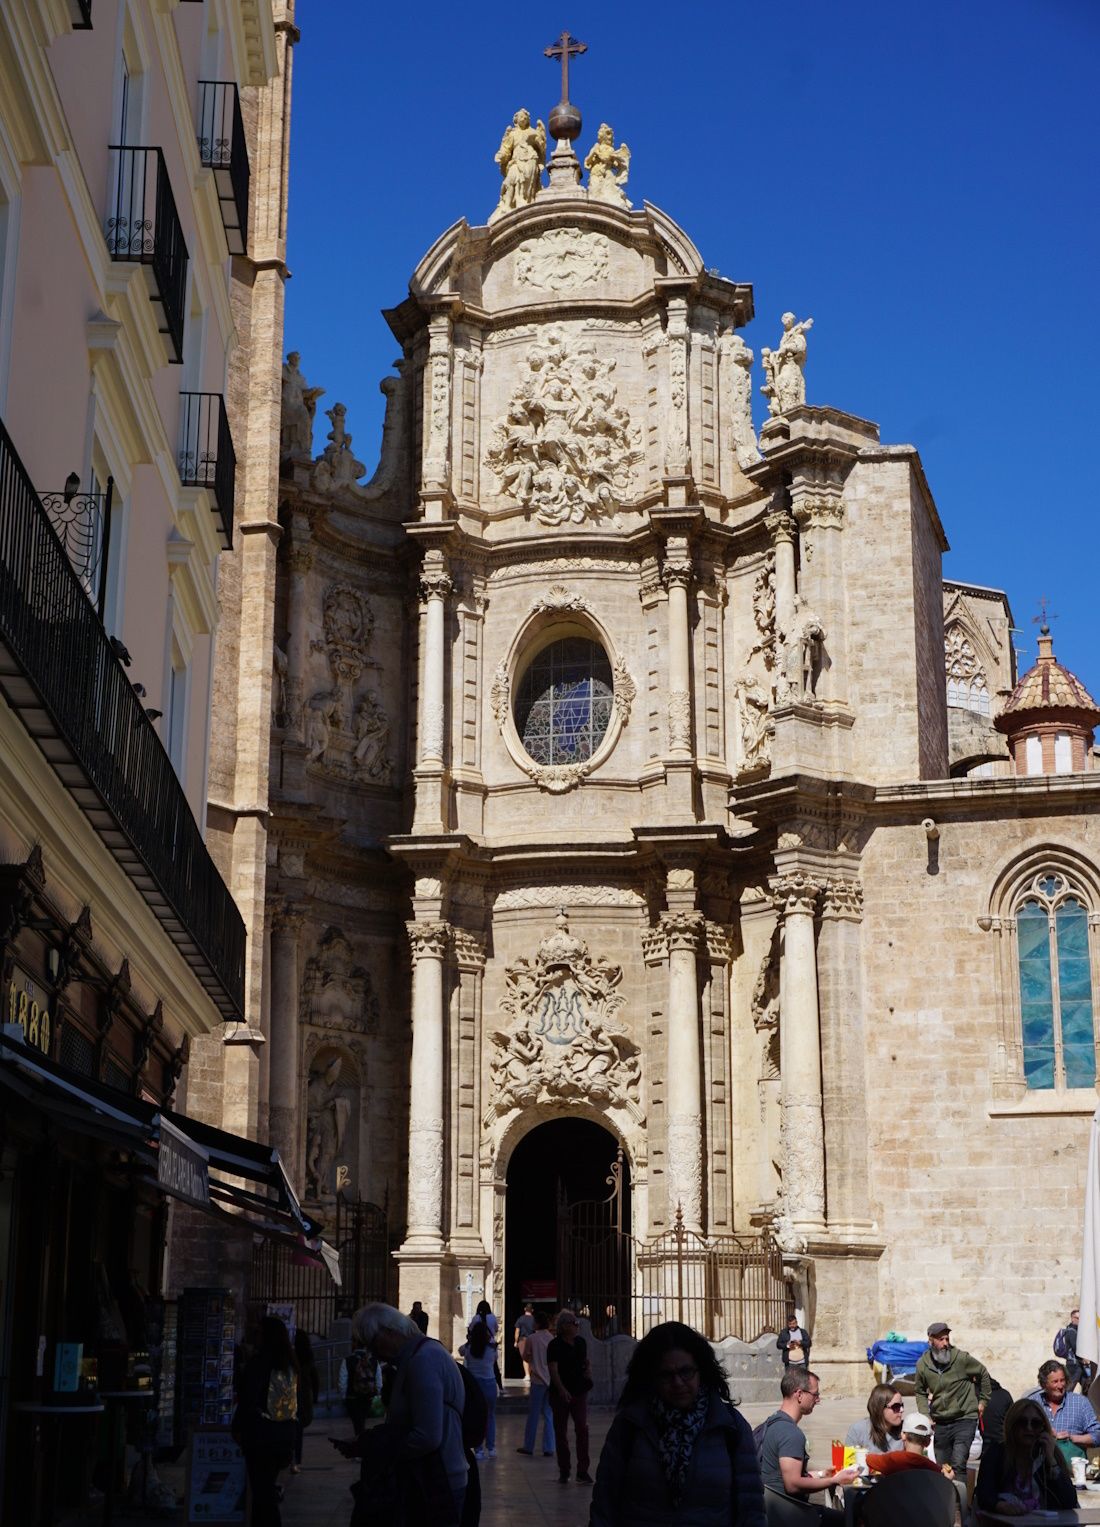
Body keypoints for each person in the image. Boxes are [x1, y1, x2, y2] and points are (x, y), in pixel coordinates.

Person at [589, 1320, 765, 1526]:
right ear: (651, 1377)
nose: (678, 1383)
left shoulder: (729, 1427)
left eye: (686, 1372)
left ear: (701, 1370)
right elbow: (605, 1502)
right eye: (666, 1375)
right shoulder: (630, 1425)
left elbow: (751, 1506)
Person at [350, 1302, 468, 1527]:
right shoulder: (418, 1356)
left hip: (437, 1482)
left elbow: (427, 1437)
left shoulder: (423, 1360)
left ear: (389, 1332)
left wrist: (380, 1451)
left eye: (372, 1343)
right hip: (431, 1478)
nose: (372, 1352)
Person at [757, 1367, 857, 1523]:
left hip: (772, 1511)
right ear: (799, 1394)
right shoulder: (791, 1434)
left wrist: (822, 1474)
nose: (818, 1400)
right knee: (849, 1520)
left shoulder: (772, 1422)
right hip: (790, 1514)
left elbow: (780, 1474)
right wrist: (835, 1481)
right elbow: (793, 1484)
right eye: (815, 1394)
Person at [232, 1315, 298, 1527]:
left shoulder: (259, 1363)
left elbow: (248, 1398)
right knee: (266, 1488)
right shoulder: (289, 1363)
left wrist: (238, 1427)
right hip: (284, 1435)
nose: (255, 1336)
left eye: (259, 1332)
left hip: (261, 1435)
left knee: (262, 1494)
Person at [974, 1396, 1077, 1516]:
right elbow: (984, 1494)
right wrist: (999, 1506)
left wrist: (1051, 1461)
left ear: (1043, 1427)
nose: (1029, 1428)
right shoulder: (997, 1453)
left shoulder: (1049, 1454)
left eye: (1035, 1423)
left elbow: (1070, 1502)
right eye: (1022, 1423)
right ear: (1012, 1425)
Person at [914, 1321, 991, 1477]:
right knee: (943, 1468)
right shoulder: (922, 1365)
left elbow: (983, 1373)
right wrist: (925, 1415)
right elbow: (920, 1391)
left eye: (947, 1339)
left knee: (958, 1464)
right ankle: (946, 1500)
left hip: (964, 1418)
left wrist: (983, 1401)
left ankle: (961, 1501)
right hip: (941, 1421)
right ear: (931, 1340)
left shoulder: (961, 1359)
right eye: (941, 1339)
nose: (945, 1343)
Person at [548, 1309, 593, 1484]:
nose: (577, 1327)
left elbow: (585, 1361)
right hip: (560, 1394)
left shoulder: (581, 1343)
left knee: (582, 1429)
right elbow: (553, 1369)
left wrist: (588, 1372)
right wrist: (561, 1389)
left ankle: (583, 1470)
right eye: (575, 1324)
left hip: (579, 1391)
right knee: (561, 1432)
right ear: (564, 1326)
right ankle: (564, 1469)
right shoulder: (555, 1345)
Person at [1028, 1358, 1100, 1461]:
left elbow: (1097, 1435)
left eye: (1062, 1380)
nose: (1060, 1385)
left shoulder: (1080, 1403)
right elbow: (1020, 1435)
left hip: (1071, 1471)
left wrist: (1072, 1438)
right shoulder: (1033, 1404)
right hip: (1039, 1470)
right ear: (1044, 1384)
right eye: (1055, 1382)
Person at [516, 1309, 555, 1458]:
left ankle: (529, 1445)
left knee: (533, 1414)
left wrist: (533, 1360)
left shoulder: (532, 1338)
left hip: (537, 1380)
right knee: (548, 1414)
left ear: (536, 1323)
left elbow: (525, 1356)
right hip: (549, 1380)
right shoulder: (551, 1338)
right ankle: (549, 1447)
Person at [866, 1411, 953, 1477]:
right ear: (928, 1442)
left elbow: (867, 1459)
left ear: (903, 1435)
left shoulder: (892, 1459)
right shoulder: (934, 1469)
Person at [459, 1318, 498, 1460]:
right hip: (489, 1384)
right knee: (491, 1416)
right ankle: (491, 1447)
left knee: (476, 1417)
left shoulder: (469, 1348)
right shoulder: (492, 1349)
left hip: (474, 1386)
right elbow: (494, 1360)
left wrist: (469, 1340)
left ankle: (478, 1449)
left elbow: (460, 1351)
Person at [844, 1384, 906, 1453]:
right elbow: (847, 1461)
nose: (902, 1410)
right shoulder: (858, 1430)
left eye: (902, 1405)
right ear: (880, 1408)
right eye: (896, 1406)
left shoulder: (906, 1430)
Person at [291, 1328, 319, 1476]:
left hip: (290, 1395)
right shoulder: (307, 1357)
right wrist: (315, 1396)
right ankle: (296, 1461)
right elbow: (314, 1378)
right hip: (303, 1396)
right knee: (298, 1430)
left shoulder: (289, 1356)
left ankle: (291, 1459)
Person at [342, 1338, 380, 1437]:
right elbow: (378, 1381)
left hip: (352, 1397)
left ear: (355, 1344)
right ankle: (362, 1440)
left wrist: (343, 1396)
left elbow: (342, 1381)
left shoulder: (347, 1360)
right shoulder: (373, 1361)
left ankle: (360, 1441)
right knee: (362, 1420)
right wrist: (377, 1393)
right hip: (368, 1396)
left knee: (357, 1423)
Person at [469, 1300, 504, 1399]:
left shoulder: (476, 1318)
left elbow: (471, 1329)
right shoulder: (492, 1317)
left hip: (477, 1343)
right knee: (494, 1366)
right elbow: (497, 1329)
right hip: (490, 1344)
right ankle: (500, 1386)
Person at [1054, 1306, 1092, 1390]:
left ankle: (1089, 1401)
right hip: (1074, 1365)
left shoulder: (1075, 1330)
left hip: (1078, 1364)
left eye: (1080, 1318)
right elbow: (1077, 1348)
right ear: (1072, 1319)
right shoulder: (1072, 1331)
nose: (1079, 1320)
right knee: (1069, 1388)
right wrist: (1084, 1358)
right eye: (1076, 1318)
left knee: (1088, 1386)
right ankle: (1064, 1402)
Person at [514, 1302, 535, 1382]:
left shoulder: (520, 1319)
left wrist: (516, 1341)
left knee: (525, 1358)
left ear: (524, 1309)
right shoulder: (534, 1319)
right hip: (532, 1339)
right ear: (532, 1310)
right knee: (531, 1358)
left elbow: (517, 1331)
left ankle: (527, 1375)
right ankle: (529, 1374)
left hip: (523, 1340)